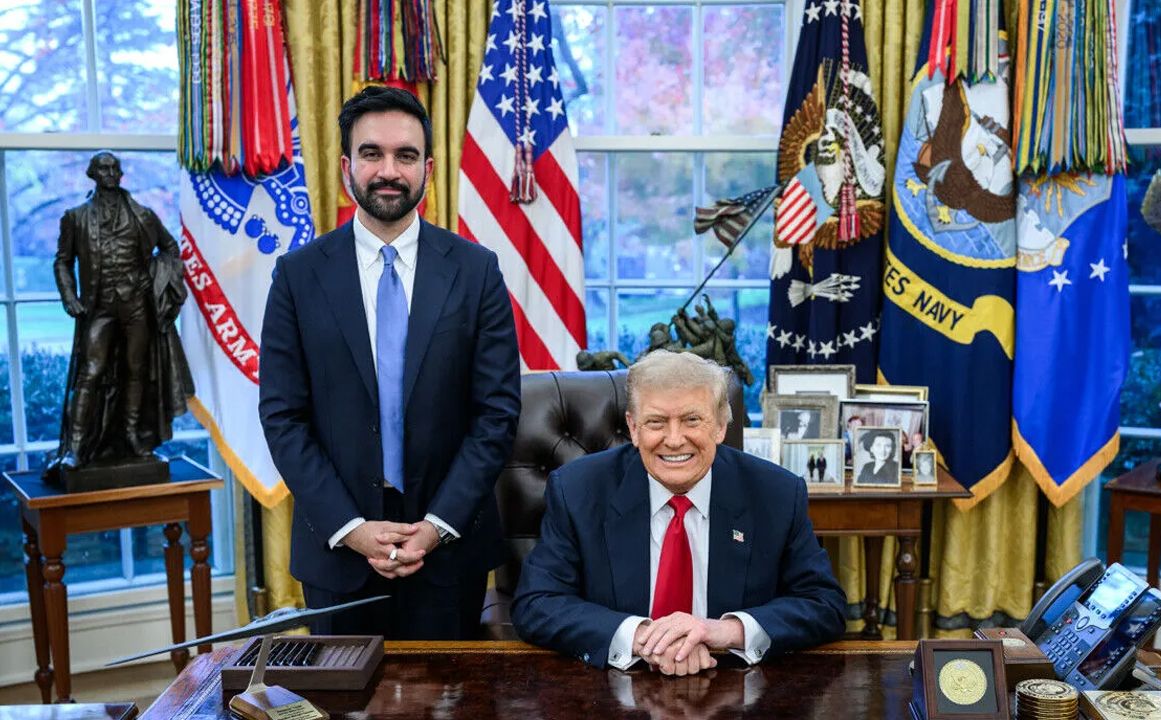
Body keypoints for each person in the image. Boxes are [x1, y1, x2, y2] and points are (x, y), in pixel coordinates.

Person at [259, 86, 521, 639]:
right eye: (371, 153)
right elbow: (283, 418)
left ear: (427, 170)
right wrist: (351, 528)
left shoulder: (477, 271)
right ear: (345, 167)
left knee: (449, 691)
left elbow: (496, 413)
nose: (388, 171)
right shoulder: (297, 276)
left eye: (405, 155)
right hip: (337, 555)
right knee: (344, 690)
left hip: (449, 553)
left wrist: (437, 526)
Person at [512, 350, 846, 675]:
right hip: (610, 684)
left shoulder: (776, 493)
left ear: (720, 425)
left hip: (733, 680)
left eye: (692, 420)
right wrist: (643, 638)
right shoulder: (578, 490)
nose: (674, 440)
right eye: (656, 422)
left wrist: (723, 631)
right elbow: (537, 603)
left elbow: (823, 603)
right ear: (633, 428)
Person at [48, 151, 192, 473]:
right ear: (93, 174)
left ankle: (131, 435)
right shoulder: (75, 217)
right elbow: (62, 261)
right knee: (91, 371)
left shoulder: (143, 216)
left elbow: (170, 248)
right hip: (99, 307)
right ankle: (75, 447)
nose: (111, 173)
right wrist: (69, 297)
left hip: (136, 305)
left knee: (136, 370)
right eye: (104, 169)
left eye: (115, 168)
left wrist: (156, 277)